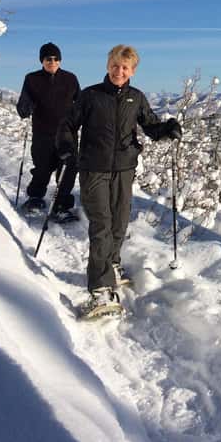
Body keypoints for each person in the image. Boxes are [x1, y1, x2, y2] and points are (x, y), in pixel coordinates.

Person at [57, 45, 181, 313]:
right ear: (108, 66)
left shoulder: (135, 98)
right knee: (101, 224)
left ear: (132, 71)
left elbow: (150, 126)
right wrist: (67, 147)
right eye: (115, 65)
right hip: (93, 168)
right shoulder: (90, 96)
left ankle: (111, 262)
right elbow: (67, 125)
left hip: (124, 169)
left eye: (125, 67)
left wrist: (167, 128)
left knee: (119, 220)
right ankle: (100, 289)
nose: (119, 71)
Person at [16, 42, 80, 218]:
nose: (52, 61)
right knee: (42, 169)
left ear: (60, 60)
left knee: (68, 170)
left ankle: (61, 206)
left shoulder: (70, 78)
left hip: (67, 135)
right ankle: (35, 199)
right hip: (42, 133)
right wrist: (25, 108)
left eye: (56, 58)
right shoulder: (32, 78)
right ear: (42, 60)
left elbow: (80, 103)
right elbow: (23, 103)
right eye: (48, 58)